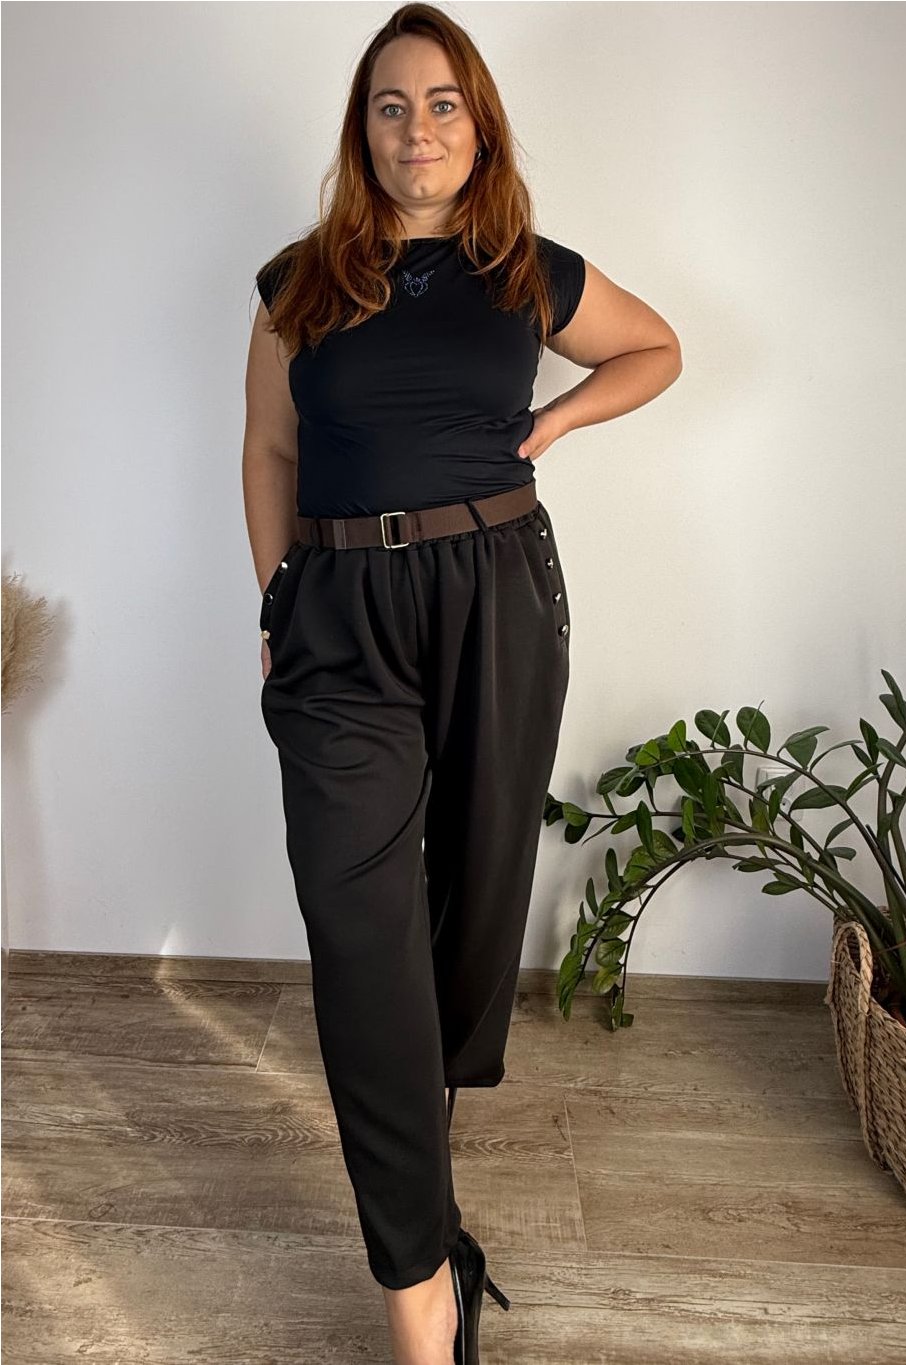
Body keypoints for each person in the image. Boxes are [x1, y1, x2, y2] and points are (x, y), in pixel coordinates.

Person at [241, 5, 682, 1362]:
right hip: (337, 613)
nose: (417, 128)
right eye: (391, 105)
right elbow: (269, 452)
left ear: (478, 127)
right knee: (357, 930)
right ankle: (421, 1293)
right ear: (361, 130)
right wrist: (274, 597)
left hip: (498, 593)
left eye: (442, 104)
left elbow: (657, 348)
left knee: (474, 904)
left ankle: (420, 1168)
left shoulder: (526, 272)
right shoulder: (297, 282)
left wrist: (554, 421)